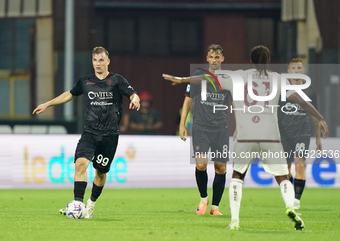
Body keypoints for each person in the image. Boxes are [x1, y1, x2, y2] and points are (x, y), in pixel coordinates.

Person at [162, 45, 328, 230]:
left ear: (250, 60)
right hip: (270, 137)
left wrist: (182, 79)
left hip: (247, 136)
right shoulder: (277, 79)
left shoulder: (238, 76)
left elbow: (208, 78)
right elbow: (299, 99)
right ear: (268, 61)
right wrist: (320, 117)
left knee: (236, 177)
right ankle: (291, 207)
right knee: (282, 177)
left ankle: (234, 221)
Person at [32, 46, 140, 218]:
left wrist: (135, 100)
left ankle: (91, 203)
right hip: (90, 132)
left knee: (101, 172)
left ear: (107, 61)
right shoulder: (85, 81)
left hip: (109, 135)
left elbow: (133, 94)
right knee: (80, 164)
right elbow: (69, 94)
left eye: (101, 60)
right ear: (92, 61)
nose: (98, 63)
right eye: (95, 60)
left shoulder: (117, 80)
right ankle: (77, 205)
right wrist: (47, 104)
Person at [179, 44, 231, 216]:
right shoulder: (199, 76)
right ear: (207, 58)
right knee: (201, 165)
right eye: (211, 57)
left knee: (221, 168)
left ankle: (215, 207)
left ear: (222, 59)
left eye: (217, 57)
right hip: (201, 127)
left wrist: (240, 126)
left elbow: (236, 104)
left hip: (221, 129)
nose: (214, 60)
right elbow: (187, 100)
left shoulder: (228, 80)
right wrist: (182, 124)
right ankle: (203, 198)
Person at [279, 58, 321, 210]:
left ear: (304, 71)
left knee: (299, 165)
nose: (296, 71)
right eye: (293, 69)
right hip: (284, 134)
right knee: (285, 169)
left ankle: (296, 201)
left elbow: (314, 115)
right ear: (288, 72)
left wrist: (317, 137)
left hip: (302, 133)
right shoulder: (281, 89)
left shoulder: (310, 91)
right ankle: (290, 194)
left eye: (299, 68)